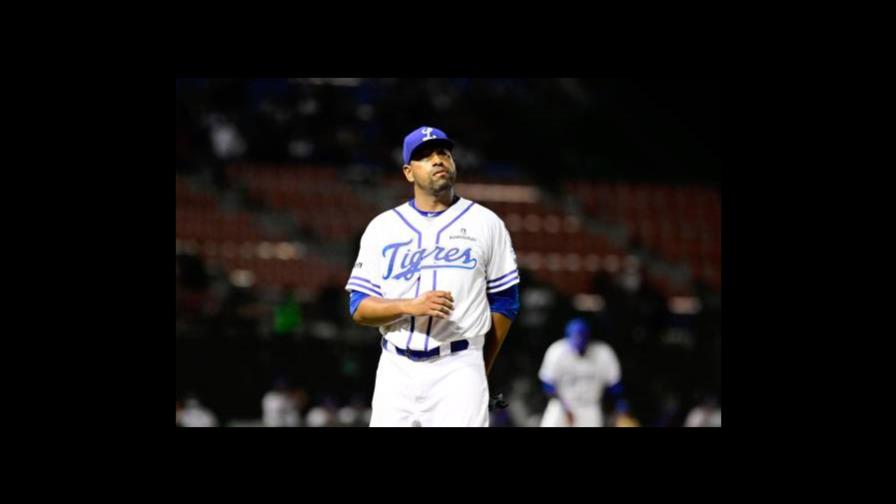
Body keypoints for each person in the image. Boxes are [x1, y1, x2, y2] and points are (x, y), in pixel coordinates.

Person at [346, 126, 520, 427]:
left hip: (459, 364)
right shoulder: (383, 227)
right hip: (395, 367)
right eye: (425, 156)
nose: (438, 160)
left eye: (443, 153)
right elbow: (359, 308)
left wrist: (480, 365)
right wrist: (408, 306)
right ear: (408, 172)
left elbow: (505, 303)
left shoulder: (486, 223)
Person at [538, 318, 631, 427]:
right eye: (575, 337)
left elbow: (615, 384)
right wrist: (565, 407)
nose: (579, 341)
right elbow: (547, 385)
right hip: (562, 405)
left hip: (590, 406)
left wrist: (620, 405)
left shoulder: (603, 352)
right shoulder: (556, 351)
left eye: (581, 337)